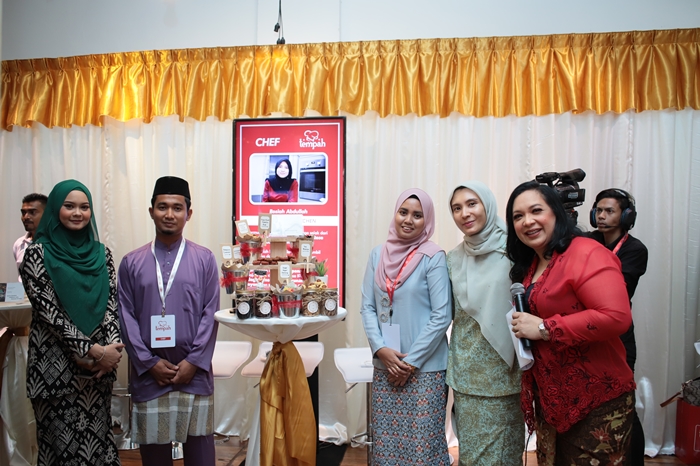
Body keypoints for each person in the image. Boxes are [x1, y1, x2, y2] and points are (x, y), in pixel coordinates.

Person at [506, 180, 636, 465]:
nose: (527, 221)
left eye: (536, 210)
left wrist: (543, 329)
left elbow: (616, 317)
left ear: (556, 212)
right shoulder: (534, 263)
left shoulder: (586, 252)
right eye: (518, 216)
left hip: (596, 400)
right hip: (552, 400)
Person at [19, 179, 124, 466]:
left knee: (99, 450)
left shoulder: (102, 254)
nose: (78, 213)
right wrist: (93, 350)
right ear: (56, 209)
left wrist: (112, 351)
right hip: (55, 369)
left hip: (97, 374)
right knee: (63, 453)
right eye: (69, 206)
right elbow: (50, 313)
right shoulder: (37, 254)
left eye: (84, 207)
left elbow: (111, 306)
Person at [118, 176, 219, 466]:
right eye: (162, 207)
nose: (169, 214)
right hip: (150, 376)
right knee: (154, 456)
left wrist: (194, 362)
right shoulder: (131, 262)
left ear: (189, 213)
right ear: (151, 211)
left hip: (194, 375)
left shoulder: (204, 259)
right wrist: (148, 363)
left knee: (201, 454)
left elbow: (210, 314)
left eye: (177, 207)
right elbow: (125, 315)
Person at [360, 188, 452, 466]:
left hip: (425, 370)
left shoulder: (433, 257)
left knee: (422, 447)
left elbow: (442, 315)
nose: (408, 220)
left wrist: (410, 363)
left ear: (427, 221)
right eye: (403, 212)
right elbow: (368, 307)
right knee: (387, 446)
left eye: (417, 215)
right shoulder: (377, 255)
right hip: (385, 366)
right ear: (395, 213)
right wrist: (380, 349)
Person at [445, 181, 523, 465]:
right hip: (467, 374)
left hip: (507, 374)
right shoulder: (452, 259)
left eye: (471, 204)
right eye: (456, 208)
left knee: (505, 454)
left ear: (487, 205)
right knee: (472, 455)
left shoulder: (516, 251)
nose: (464, 213)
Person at [589, 188, 648, 464]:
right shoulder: (587, 241)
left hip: (619, 337)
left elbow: (616, 290)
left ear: (626, 216)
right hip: (589, 334)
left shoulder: (635, 250)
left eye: (609, 211)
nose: (602, 216)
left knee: (624, 407)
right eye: (599, 210)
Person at [13, 193, 47, 279]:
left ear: (47, 214)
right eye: (23, 213)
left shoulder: (57, 244)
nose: (26, 217)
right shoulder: (19, 244)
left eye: (32, 212)